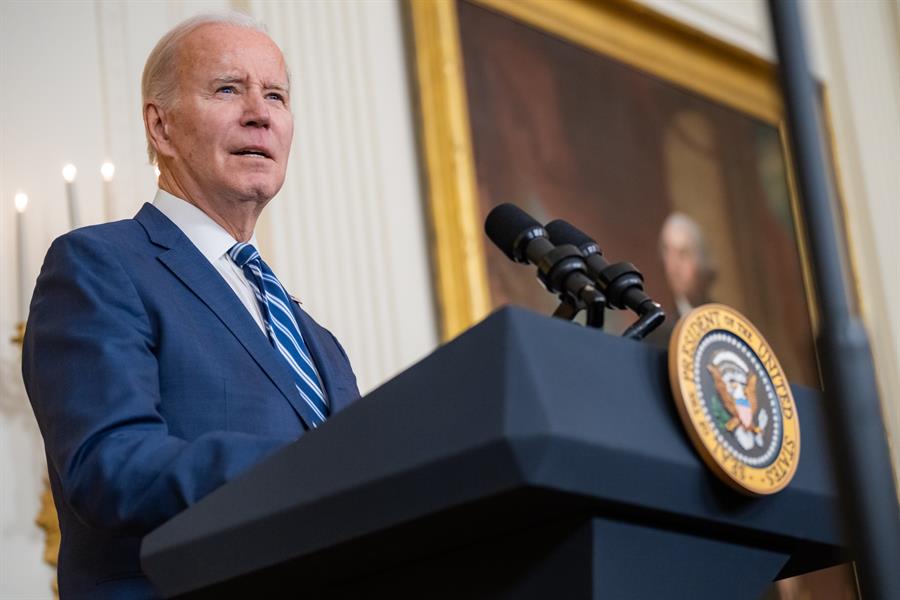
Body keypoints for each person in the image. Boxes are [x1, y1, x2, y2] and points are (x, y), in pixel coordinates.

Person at [22, 12, 359, 599]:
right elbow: (111, 464)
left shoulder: (317, 340)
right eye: (229, 88)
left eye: (276, 95)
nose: (260, 112)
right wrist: (308, 470)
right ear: (162, 127)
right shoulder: (100, 264)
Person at [658, 211, 716, 317]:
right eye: (668, 255)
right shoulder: (663, 331)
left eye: (683, 254)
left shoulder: (725, 318)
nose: (674, 267)